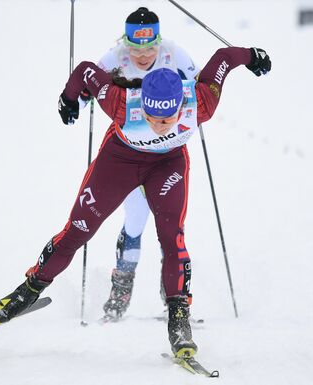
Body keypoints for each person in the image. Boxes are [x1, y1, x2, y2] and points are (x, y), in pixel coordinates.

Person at [0, 45, 271, 359]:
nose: (160, 125)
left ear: (181, 106)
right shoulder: (120, 103)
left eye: (168, 118)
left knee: (172, 238)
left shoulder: (201, 101)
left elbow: (224, 59)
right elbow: (84, 70)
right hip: (119, 161)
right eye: (151, 117)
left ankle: (178, 317)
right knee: (79, 230)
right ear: (142, 105)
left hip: (167, 164)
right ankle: (28, 289)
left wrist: (253, 56)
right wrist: (69, 97)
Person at [90, 7, 200, 322]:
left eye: (150, 47)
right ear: (126, 43)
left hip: (166, 153)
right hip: (129, 155)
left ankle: (174, 297)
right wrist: (78, 101)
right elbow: (89, 86)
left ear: (159, 41)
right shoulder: (114, 58)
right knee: (136, 219)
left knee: (170, 226)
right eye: (135, 47)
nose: (143, 54)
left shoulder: (174, 54)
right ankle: (120, 292)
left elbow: (199, 84)